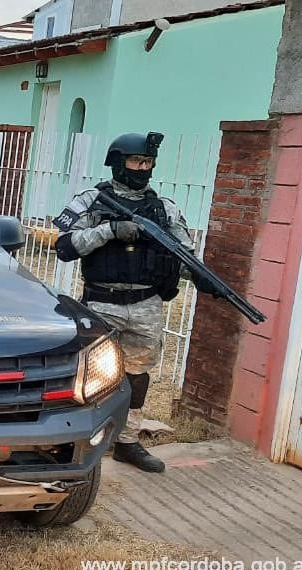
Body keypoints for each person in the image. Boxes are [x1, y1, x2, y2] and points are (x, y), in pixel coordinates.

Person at [53, 132, 215, 473]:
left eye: (148, 163)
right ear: (117, 162)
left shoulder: (164, 208)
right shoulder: (91, 201)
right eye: (136, 162)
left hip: (146, 304)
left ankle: (127, 440)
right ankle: (81, 436)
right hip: (102, 302)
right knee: (91, 372)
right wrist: (109, 232)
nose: (143, 169)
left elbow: (184, 254)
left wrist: (201, 277)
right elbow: (64, 247)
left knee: (137, 374)